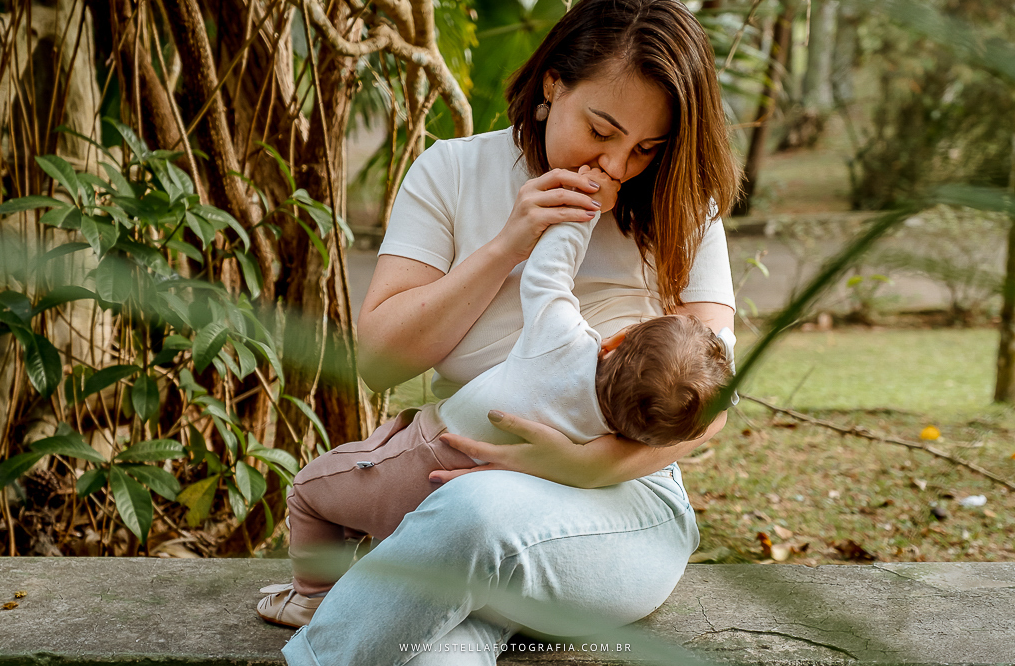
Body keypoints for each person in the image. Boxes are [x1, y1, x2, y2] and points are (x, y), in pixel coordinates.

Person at [280, 0, 740, 665]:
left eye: (647, 148)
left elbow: (714, 403)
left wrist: (581, 465)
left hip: (616, 510)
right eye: (601, 131)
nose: (616, 167)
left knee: (477, 514)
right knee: (436, 650)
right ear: (553, 83)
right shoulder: (452, 172)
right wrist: (507, 247)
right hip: (446, 507)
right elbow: (377, 360)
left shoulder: (682, 207)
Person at [257, 172, 736, 626]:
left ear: (615, 339)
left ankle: (312, 599)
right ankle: (357, 578)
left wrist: (586, 207)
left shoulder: (562, 343)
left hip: (422, 463)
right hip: (499, 500)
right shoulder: (614, 432)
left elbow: (549, 273)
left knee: (309, 492)